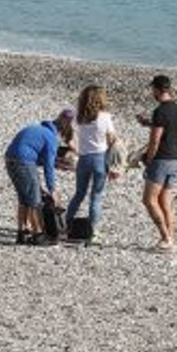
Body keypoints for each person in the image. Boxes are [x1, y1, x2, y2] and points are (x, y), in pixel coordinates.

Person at [4, 109, 71, 245]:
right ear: (62, 132)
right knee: (35, 201)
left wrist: (40, 187)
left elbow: (36, 161)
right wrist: (53, 190)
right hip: (23, 161)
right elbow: (48, 167)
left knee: (24, 199)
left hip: (10, 158)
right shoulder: (51, 139)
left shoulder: (38, 129)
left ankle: (22, 233)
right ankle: (38, 234)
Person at [136, 74, 177, 252]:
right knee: (165, 201)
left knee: (149, 200)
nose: (152, 93)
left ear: (157, 89)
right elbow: (168, 129)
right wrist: (149, 123)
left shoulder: (160, 111)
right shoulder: (176, 109)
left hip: (162, 158)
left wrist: (148, 158)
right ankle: (171, 238)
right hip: (176, 158)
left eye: (153, 90)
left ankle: (165, 238)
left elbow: (155, 139)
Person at [65, 85, 118, 245]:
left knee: (79, 193)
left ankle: (68, 224)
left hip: (84, 158)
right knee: (96, 196)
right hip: (100, 158)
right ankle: (93, 230)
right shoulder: (105, 117)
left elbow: (73, 135)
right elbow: (112, 140)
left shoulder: (80, 118)